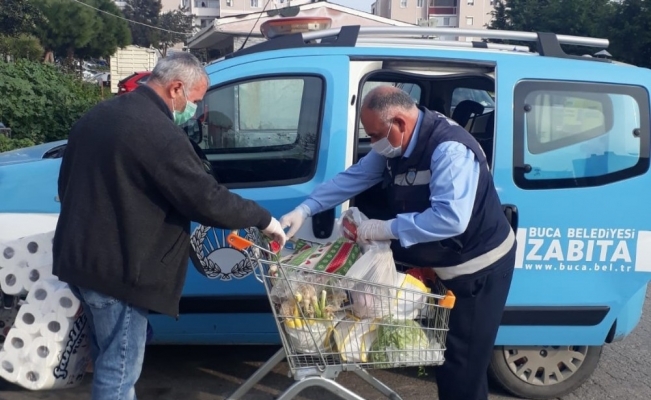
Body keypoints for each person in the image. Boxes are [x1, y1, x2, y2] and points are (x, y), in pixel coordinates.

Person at [52, 52, 286, 400]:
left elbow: (66, 185)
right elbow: (206, 199)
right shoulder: (158, 132)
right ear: (176, 88)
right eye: (195, 101)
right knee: (119, 372)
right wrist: (263, 218)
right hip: (120, 273)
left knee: (106, 356)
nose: (195, 110)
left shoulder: (98, 115)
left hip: (80, 261)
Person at [280, 85, 516, 400]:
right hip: (447, 263)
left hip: (479, 269)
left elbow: (451, 219)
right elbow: (357, 176)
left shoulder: (449, 150)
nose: (373, 142)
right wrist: (306, 208)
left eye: (375, 135)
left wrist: (386, 228)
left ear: (400, 123)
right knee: (448, 359)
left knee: (463, 367)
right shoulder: (398, 142)